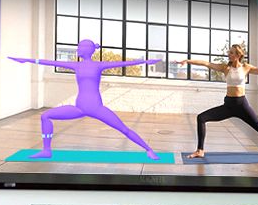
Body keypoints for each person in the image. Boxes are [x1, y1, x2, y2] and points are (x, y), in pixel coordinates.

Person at [9, 39, 160, 160]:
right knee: (45, 116)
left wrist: (144, 62)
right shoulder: (76, 65)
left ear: (87, 49)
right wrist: (27, 60)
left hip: (96, 108)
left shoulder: (98, 65)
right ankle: (46, 150)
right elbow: (49, 62)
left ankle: (149, 150)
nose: (77, 49)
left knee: (124, 129)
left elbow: (123, 63)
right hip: (79, 108)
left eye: (80, 47)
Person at [177, 44, 258, 159]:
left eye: (231, 52)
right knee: (201, 118)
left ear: (238, 55)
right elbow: (206, 64)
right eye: (229, 52)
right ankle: (200, 150)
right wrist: (187, 61)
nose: (229, 54)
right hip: (228, 105)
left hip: (242, 105)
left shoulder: (246, 67)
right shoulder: (225, 68)